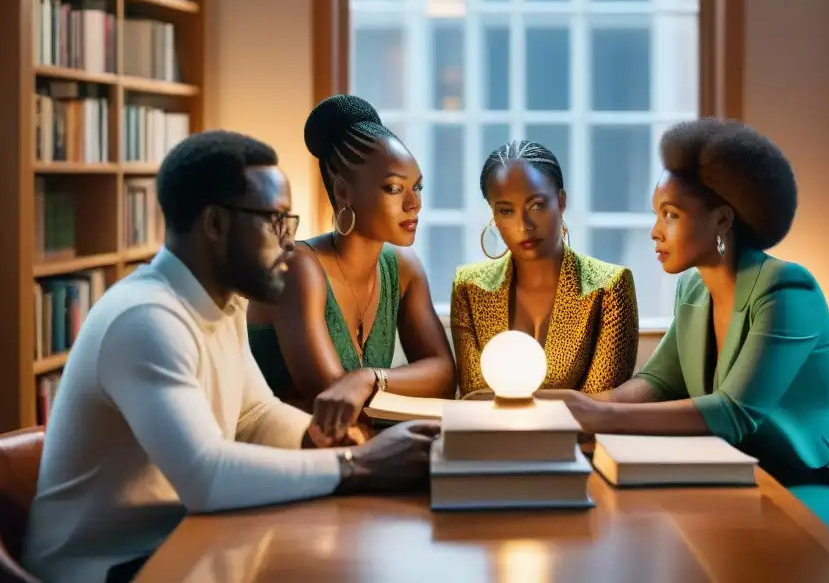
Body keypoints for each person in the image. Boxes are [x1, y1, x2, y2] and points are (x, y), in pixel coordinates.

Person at [21, 131, 440, 583]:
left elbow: (254, 416)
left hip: (179, 541)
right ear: (216, 224)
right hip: (103, 566)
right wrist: (359, 466)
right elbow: (206, 478)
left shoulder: (225, 304)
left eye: (290, 221)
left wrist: (338, 443)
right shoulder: (146, 318)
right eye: (274, 220)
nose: (288, 240)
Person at [537, 119, 829, 560]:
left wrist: (596, 417)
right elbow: (658, 382)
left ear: (722, 218)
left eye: (671, 215)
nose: (655, 232)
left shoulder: (787, 289)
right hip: (768, 474)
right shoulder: (693, 289)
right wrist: (573, 404)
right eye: (656, 214)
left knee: (754, 550)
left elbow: (734, 412)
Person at [248, 95, 456, 440]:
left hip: (358, 444)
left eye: (417, 187)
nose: (414, 203)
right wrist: (388, 384)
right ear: (344, 191)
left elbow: (445, 376)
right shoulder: (300, 268)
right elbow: (333, 395)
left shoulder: (402, 268)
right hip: (285, 453)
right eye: (394, 188)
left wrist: (368, 378)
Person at [450, 140, 639, 397]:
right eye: (506, 210)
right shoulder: (469, 287)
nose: (523, 224)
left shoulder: (609, 286)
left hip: (580, 437)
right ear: (493, 214)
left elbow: (599, 405)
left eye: (536, 205)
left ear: (561, 202)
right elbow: (474, 395)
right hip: (492, 435)